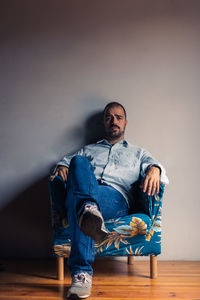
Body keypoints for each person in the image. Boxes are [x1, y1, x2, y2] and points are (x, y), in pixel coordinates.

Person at [52, 102, 169, 299]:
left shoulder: (138, 152)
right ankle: (87, 210)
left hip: (115, 200)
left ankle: (81, 272)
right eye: (109, 117)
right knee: (78, 163)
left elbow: (155, 166)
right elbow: (64, 164)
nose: (114, 121)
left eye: (118, 117)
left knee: (78, 203)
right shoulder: (87, 150)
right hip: (85, 190)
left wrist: (155, 169)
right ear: (104, 123)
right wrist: (62, 167)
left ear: (125, 123)